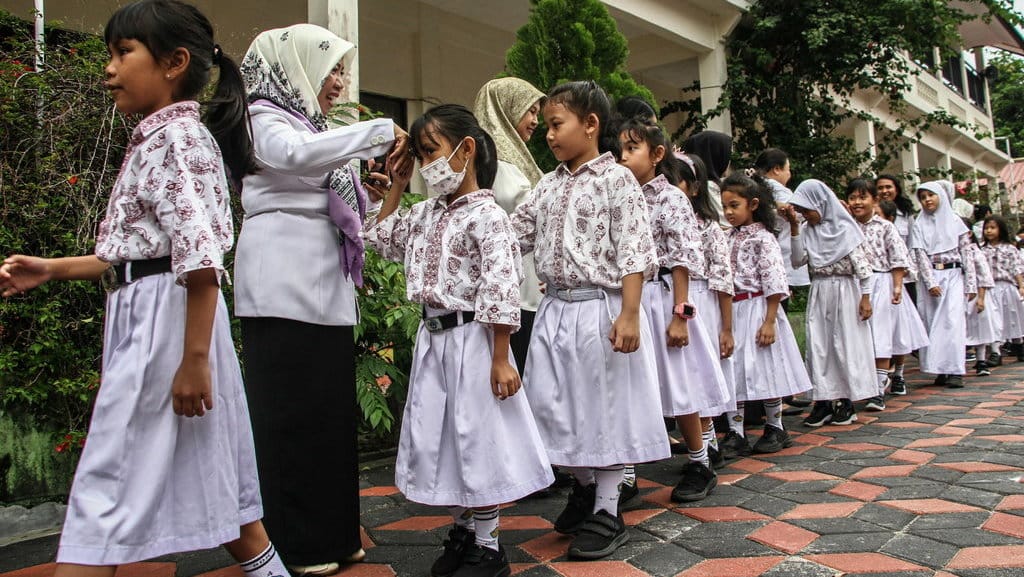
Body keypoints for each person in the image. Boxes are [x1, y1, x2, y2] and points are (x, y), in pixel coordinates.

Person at [0, 2, 289, 576]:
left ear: (174, 63)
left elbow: (199, 261)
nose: (108, 68)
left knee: (104, 493)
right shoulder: (163, 138)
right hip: (164, 319)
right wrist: (52, 268)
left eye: (122, 52)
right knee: (219, 486)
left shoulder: (177, 140)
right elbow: (138, 253)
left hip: (167, 327)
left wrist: (193, 360)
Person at [235, 23, 411, 575]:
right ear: (295, 67)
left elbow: (321, 170)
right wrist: (377, 129)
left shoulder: (308, 125)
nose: (339, 81)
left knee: (328, 414)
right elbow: (291, 156)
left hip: (324, 280)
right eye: (329, 68)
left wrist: (370, 186)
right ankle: (296, 542)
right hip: (280, 281)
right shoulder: (262, 115)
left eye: (341, 69)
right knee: (289, 415)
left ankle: (334, 534)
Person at [365, 104, 554, 577]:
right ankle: (465, 530)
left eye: (431, 152)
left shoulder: (487, 216)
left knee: (478, 436)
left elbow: (500, 287)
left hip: (474, 339)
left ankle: (490, 547)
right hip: (435, 340)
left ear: (466, 150)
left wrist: (500, 356)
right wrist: (396, 183)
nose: (426, 164)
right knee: (443, 435)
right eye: (420, 155)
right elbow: (377, 237)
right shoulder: (426, 212)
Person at [510, 80, 670, 560]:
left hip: (598, 310)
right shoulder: (549, 183)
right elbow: (516, 232)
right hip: (555, 310)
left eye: (557, 124)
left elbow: (635, 250)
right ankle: (582, 486)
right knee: (549, 408)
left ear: (591, 124)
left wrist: (629, 313)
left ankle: (606, 509)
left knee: (603, 410)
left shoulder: (616, 179)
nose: (549, 134)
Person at [617, 118, 730, 502]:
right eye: (620, 149)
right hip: (631, 299)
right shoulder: (622, 196)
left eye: (633, 149)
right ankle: (626, 475)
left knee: (680, 385)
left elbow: (682, 258)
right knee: (632, 386)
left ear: (657, 154)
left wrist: (680, 315)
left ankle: (700, 461)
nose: (624, 156)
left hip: (664, 297)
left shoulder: (671, 198)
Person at [720, 174, 812, 452]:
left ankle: (775, 426)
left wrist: (770, 320)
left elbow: (773, 280)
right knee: (733, 370)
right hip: (733, 311)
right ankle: (736, 431)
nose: (728, 212)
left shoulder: (763, 238)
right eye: (725, 206)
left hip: (758, 309)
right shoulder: (727, 237)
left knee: (765, 369)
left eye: (734, 205)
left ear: (753, 204)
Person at [784, 180, 875, 426]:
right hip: (820, 290)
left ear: (821, 203)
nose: (805, 214)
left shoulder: (846, 229)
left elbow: (863, 269)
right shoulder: (807, 230)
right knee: (819, 345)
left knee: (843, 344)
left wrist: (866, 298)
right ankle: (822, 400)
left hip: (845, 291)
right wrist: (794, 228)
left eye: (807, 209)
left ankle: (845, 400)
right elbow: (797, 260)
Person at [846, 179, 929, 400]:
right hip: (855, 285)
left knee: (883, 335)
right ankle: (869, 382)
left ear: (874, 200)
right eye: (852, 197)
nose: (857, 202)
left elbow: (898, 258)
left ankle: (880, 388)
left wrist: (897, 286)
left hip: (881, 283)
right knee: (862, 336)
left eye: (862, 197)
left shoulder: (885, 227)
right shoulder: (847, 227)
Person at [678, 153, 737, 464]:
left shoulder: (708, 227)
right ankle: (703, 442)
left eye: (677, 181)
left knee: (700, 373)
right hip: (674, 298)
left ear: (694, 188)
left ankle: (708, 441)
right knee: (683, 375)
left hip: (701, 300)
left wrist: (726, 327)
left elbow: (723, 279)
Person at [909, 181, 978, 389]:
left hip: (954, 275)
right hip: (932, 278)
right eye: (923, 197)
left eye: (931, 195)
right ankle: (939, 367)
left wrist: (971, 285)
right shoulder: (919, 224)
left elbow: (967, 253)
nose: (928, 199)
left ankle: (955, 369)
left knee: (953, 322)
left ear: (941, 196)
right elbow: (920, 255)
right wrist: (930, 282)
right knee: (933, 323)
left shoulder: (956, 221)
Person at [875, 174, 919, 390]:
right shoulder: (869, 217)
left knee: (899, 326)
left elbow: (912, 243)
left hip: (901, 275)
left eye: (888, 186)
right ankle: (883, 373)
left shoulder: (906, 214)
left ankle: (899, 374)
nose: (885, 190)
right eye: (880, 187)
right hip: (876, 280)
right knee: (880, 328)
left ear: (897, 189)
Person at [980, 215, 1024, 363]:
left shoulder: (1010, 248)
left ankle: (1018, 344)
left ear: (1001, 229)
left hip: (1007, 287)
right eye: (986, 228)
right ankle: (995, 351)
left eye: (992, 228)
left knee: (1012, 317)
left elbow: (1016, 268)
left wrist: (1021, 285)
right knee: (994, 319)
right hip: (990, 288)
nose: (989, 231)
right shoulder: (982, 250)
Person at [684, 130, 733, 228]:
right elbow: (728, 223)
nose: (729, 161)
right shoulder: (708, 187)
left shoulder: (700, 185)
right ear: (716, 155)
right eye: (728, 155)